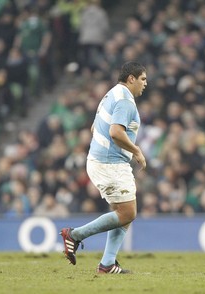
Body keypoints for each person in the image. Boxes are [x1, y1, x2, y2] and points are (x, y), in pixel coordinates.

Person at [60, 61, 147, 274]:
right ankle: (75, 235)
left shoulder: (111, 94)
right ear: (131, 79)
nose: (146, 84)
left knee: (123, 211)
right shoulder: (126, 100)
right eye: (143, 79)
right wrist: (136, 150)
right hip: (110, 163)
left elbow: (94, 126)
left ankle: (108, 263)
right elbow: (116, 132)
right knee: (127, 212)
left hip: (103, 160)